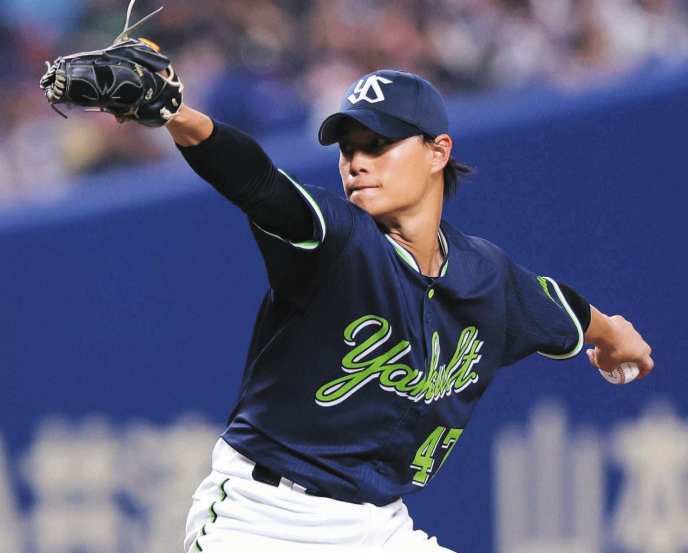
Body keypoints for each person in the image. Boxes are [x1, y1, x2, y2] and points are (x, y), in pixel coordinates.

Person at [162, 69, 654, 553]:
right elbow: (258, 182)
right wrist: (175, 113)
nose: (357, 163)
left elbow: (559, 307)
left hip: (379, 527)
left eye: (377, 144)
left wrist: (613, 336)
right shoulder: (336, 240)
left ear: (438, 151)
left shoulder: (485, 276)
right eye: (348, 149)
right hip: (264, 520)